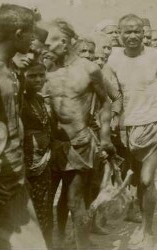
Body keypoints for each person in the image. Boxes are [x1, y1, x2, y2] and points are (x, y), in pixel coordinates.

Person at [106, 14, 157, 247]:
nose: (132, 36)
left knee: (147, 180)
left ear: (144, 33)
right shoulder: (114, 59)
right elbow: (107, 90)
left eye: (137, 31)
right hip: (127, 129)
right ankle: (141, 223)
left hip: (154, 124)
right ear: (119, 34)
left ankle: (148, 231)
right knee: (137, 180)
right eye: (127, 31)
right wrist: (114, 118)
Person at [44, 18, 115, 248]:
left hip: (79, 142)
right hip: (50, 145)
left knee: (75, 200)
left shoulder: (89, 69)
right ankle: (57, 243)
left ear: (63, 42)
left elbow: (106, 102)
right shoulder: (44, 69)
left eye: (49, 43)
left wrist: (105, 137)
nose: (45, 47)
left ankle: (81, 246)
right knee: (48, 201)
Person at [0, 4, 47, 249]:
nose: (33, 40)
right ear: (18, 34)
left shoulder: (9, 68)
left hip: (15, 173)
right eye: (31, 33)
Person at [21, 60, 54, 247]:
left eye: (41, 75)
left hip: (43, 161)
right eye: (32, 76)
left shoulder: (40, 99)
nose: (38, 79)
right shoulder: (20, 101)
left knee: (44, 207)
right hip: (26, 164)